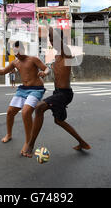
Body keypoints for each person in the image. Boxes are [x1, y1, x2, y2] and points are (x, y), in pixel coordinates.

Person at [24, 27, 91, 158]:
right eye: (49, 38)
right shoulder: (56, 57)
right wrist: (44, 73)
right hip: (57, 93)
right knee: (59, 121)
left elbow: (60, 42)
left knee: (39, 108)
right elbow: (54, 72)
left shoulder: (66, 52)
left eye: (52, 37)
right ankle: (82, 142)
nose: (50, 40)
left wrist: (49, 28)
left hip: (65, 94)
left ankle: (30, 145)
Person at [0, 41, 49, 156]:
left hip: (36, 89)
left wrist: (44, 73)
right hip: (23, 89)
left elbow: (46, 68)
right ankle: (9, 134)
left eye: (19, 52)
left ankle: (28, 142)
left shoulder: (33, 59)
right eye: (15, 53)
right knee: (10, 112)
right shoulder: (15, 62)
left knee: (26, 112)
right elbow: (2, 72)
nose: (17, 55)